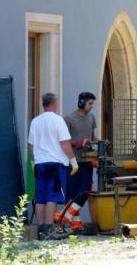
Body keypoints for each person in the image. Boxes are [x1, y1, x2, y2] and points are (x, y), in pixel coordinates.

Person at [28, 93, 79, 240]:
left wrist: (33, 162)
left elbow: (31, 146)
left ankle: (41, 229)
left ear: (43, 104)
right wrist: (73, 161)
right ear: (54, 104)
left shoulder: (35, 121)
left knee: (40, 197)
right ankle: (49, 229)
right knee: (52, 196)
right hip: (56, 164)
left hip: (40, 164)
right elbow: (64, 143)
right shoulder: (58, 120)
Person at [62, 92, 97, 232]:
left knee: (84, 192)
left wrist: (100, 142)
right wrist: (78, 142)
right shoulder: (69, 119)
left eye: (92, 104)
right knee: (72, 193)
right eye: (90, 103)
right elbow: (64, 140)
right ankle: (75, 225)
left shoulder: (92, 118)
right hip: (73, 162)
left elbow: (92, 136)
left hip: (87, 161)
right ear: (81, 102)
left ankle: (63, 216)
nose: (92, 106)